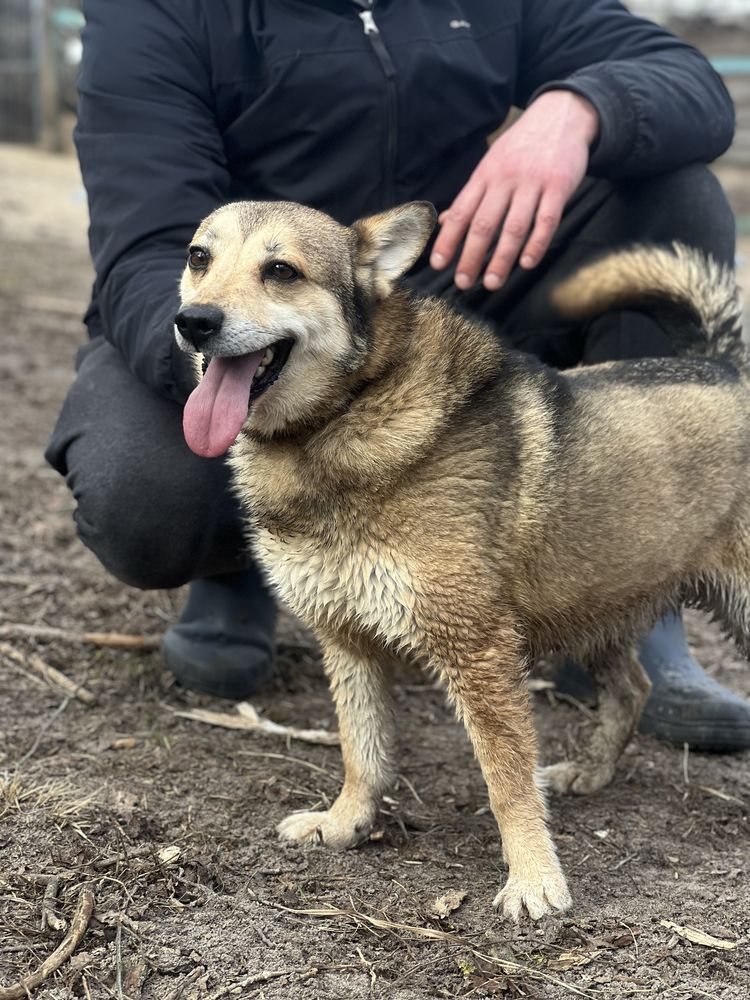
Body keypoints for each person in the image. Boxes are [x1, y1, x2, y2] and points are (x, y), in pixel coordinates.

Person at [46, 0, 750, 751]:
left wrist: (579, 108)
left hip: (444, 286)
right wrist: (242, 371)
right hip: (235, 322)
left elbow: (688, 81)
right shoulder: (156, 11)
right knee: (146, 496)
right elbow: (149, 242)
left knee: (670, 189)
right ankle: (246, 564)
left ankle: (627, 593)